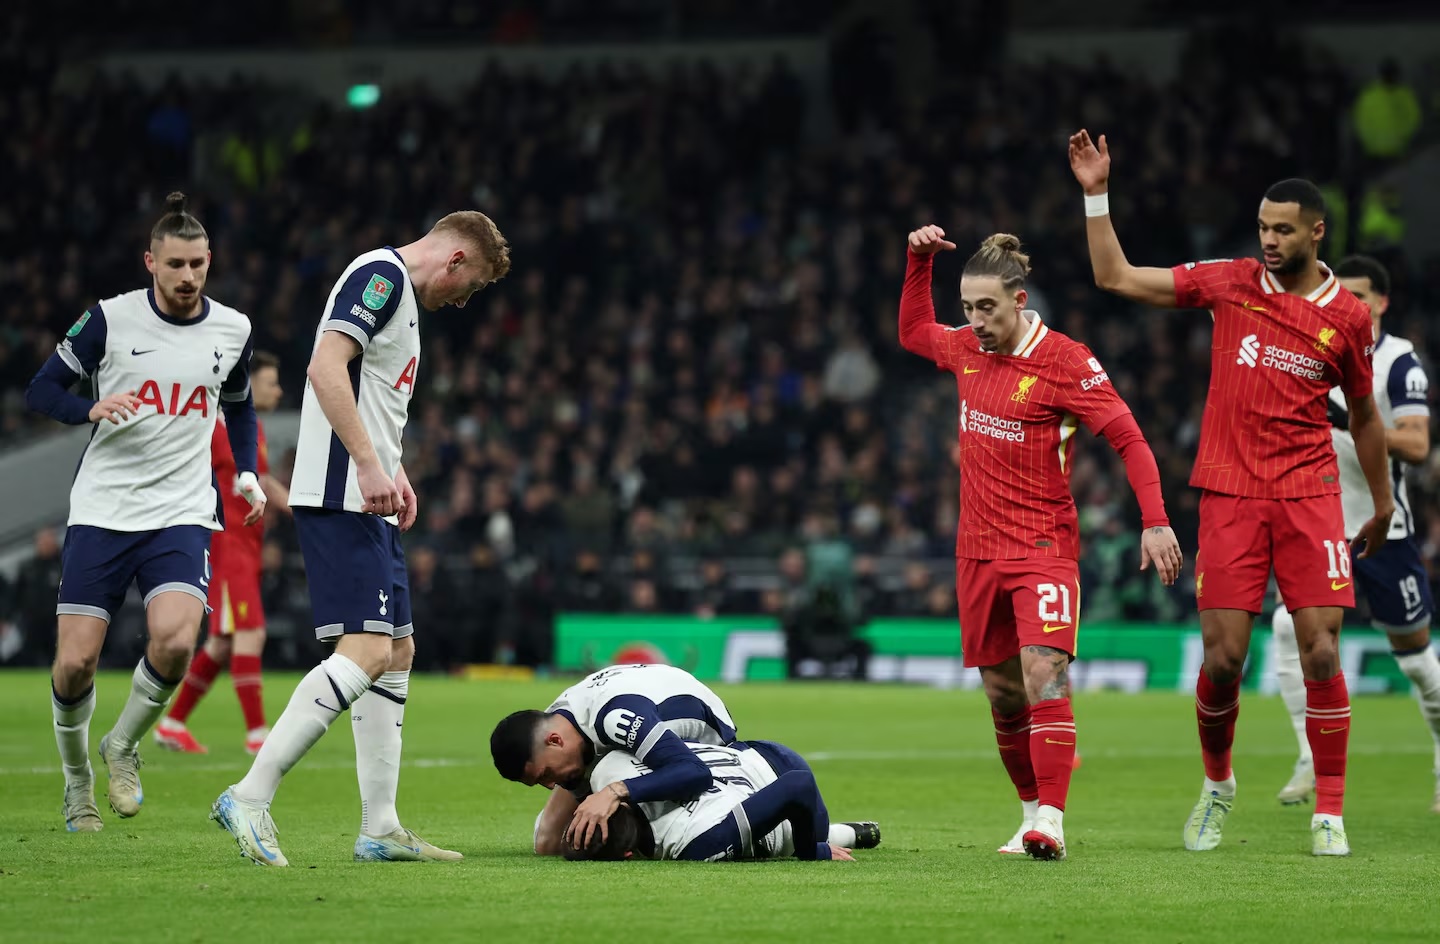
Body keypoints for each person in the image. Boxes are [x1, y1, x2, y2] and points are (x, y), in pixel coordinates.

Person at [1069, 130, 1395, 857]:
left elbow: (1367, 417)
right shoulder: (1231, 282)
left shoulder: (1347, 317)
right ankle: (1218, 784)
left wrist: (1381, 502)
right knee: (1222, 660)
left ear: (1317, 231)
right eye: (1262, 228)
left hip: (1310, 493)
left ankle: (1330, 813)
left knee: (1319, 649)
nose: (1270, 241)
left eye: (1283, 230)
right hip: (1230, 493)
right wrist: (1097, 195)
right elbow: (1117, 277)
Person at [211, 210, 511, 867]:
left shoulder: (399, 297)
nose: (464, 301)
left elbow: (369, 398)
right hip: (343, 495)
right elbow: (325, 368)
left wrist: (393, 469)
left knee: (398, 650)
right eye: (473, 286)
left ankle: (381, 826)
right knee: (369, 649)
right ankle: (250, 794)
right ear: (456, 259)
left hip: (367, 494)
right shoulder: (380, 276)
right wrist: (370, 467)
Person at [899, 229, 1183, 861]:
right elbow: (915, 332)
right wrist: (918, 262)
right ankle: (1029, 814)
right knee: (1002, 694)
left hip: (1042, 548)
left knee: (1042, 674)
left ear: (1019, 300)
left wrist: (1155, 519)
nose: (974, 322)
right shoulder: (968, 351)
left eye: (987, 309)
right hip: (976, 551)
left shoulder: (1065, 362)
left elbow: (1129, 438)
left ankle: (1052, 818)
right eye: (968, 308)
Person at [24, 192, 264, 833]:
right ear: (150, 262)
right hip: (104, 508)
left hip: (181, 510)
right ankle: (77, 783)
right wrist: (89, 409)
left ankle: (122, 744)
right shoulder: (108, 320)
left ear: (210, 261)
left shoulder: (233, 330)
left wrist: (243, 469)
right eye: (175, 264)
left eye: (198, 264)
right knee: (74, 662)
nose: (188, 277)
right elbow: (41, 389)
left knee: (179, 638)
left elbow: (239, 404)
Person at [1269, 255, 1440, 813]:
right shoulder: (1309, 352)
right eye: (1344, 294)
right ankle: (1308, 757)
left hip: (1384, 528)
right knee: (1285, 631)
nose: (1353, 305)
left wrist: (1353, 422)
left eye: (1363, 297)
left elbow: (1416, 446)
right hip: (1319, 528)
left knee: (1415, 658)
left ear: (1382, 303)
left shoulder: (1397, 361)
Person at [489, 662, 881, 855]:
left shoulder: (615, 719)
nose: (551, 784)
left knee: (621, 797)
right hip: (634, 737)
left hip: (711, 738)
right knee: (547, 842)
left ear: (555, 740)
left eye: (545, 775)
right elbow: (558, 808)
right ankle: (840, 832)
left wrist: (615, 792)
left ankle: (808, 834)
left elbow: (693, 773)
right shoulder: (560, 724)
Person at [155, 351, 290, 755]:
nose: (278, 390)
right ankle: (257, 736)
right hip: (227, 543)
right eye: (271, 382)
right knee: (251, 632)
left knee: (223, 644)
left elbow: (261, 480)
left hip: (245, 546)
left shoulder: (252, 429)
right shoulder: (214, 427)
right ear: (250, 384)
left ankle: (172, 724)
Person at [565, 740, 858, 862]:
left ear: (627, 857)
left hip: (780, 772)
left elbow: (799, 785)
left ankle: (831, 836)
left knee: (811, 836)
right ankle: (851, 833)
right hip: (747, 751)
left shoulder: (696, 842)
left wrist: (811, 852)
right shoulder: (609, 770)